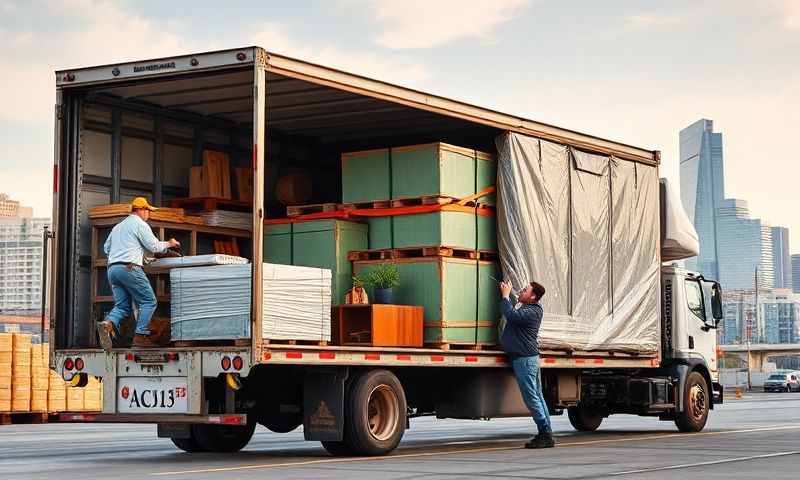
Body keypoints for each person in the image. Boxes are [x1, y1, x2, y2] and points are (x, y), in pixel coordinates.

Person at [96, 197, 180, 350]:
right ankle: (141, 336)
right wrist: (170, 243)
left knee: (123, 306)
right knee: (149, 301)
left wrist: (127, 255)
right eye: (148, 211)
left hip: (113, 269)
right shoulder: (140, 224)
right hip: (129, 268)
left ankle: (107, 324)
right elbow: (154, 246)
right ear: (141, 210)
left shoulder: (118, 227)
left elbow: (106, 248)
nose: (149, 214)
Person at [499, 279, 554, 449]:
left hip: (525, 360)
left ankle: (545, 434)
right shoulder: (526, 307)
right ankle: (546, 432)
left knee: (532, 398)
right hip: (526, 359)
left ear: (533, 296)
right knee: (537, 396)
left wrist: (505, 296)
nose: (521, 291)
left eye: (525, 290)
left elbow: (511, 316)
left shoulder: (533, 312)